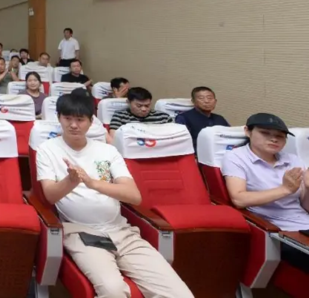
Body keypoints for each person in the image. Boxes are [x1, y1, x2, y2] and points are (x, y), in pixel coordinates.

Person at [37, 90, 193, 298]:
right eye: (67, 118)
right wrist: (71, 181)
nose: (73, 125)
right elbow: (50, 195)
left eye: (80, 119)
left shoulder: (107, 151)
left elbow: (134, 196)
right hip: (82, 233)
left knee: (179, 293)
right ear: (58, 118)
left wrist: (92, 183)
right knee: (113, 291)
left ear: (91, 121)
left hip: (123, 232)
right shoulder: (47, 149)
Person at [222, 113, 309, 272]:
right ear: (247, 131)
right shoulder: (236, 157)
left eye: (280, 136)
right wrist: (285, 189)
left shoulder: (293, 160)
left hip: (305, 225)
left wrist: (308, 188)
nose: (274, 139)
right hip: (279, 232)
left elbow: (305, 205)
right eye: (265, 133)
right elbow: (239, 199)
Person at [107, 87, 172, 144]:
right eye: (139, 106)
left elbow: (172, 139)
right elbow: (114, 140)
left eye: (147, 105)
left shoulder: (164, 117)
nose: (144, 109)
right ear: (128, 102)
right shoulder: (119, 116)